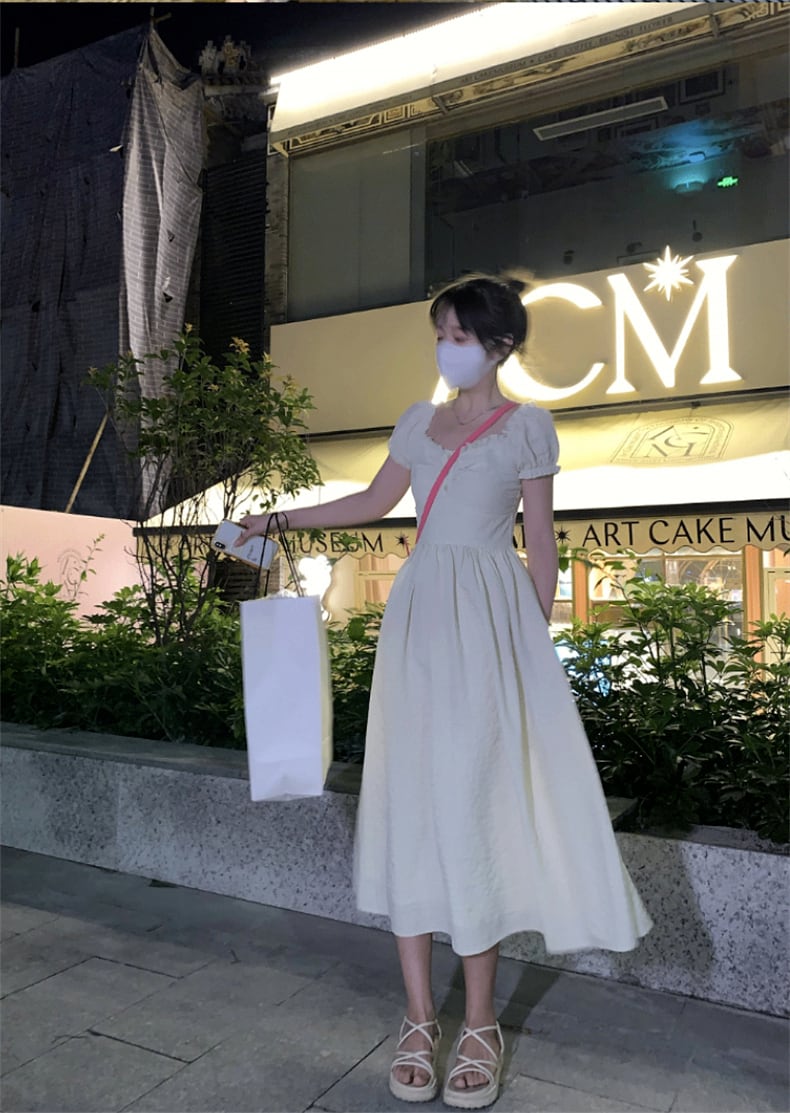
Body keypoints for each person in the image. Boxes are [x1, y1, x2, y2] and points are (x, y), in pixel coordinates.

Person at [237, 274, 652, 1109]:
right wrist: (276, 521)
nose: (446, 348)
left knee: (473, 807)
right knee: (411, 800)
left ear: (500, 345)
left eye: (459, 335)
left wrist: (531, 652)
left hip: (489, 624)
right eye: (441, 333)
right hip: (420, 621)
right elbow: (373, 500)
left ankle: (482, 1023)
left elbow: (541, 548)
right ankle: (419, 1017)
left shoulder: (529, 427)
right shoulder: (416, 423)